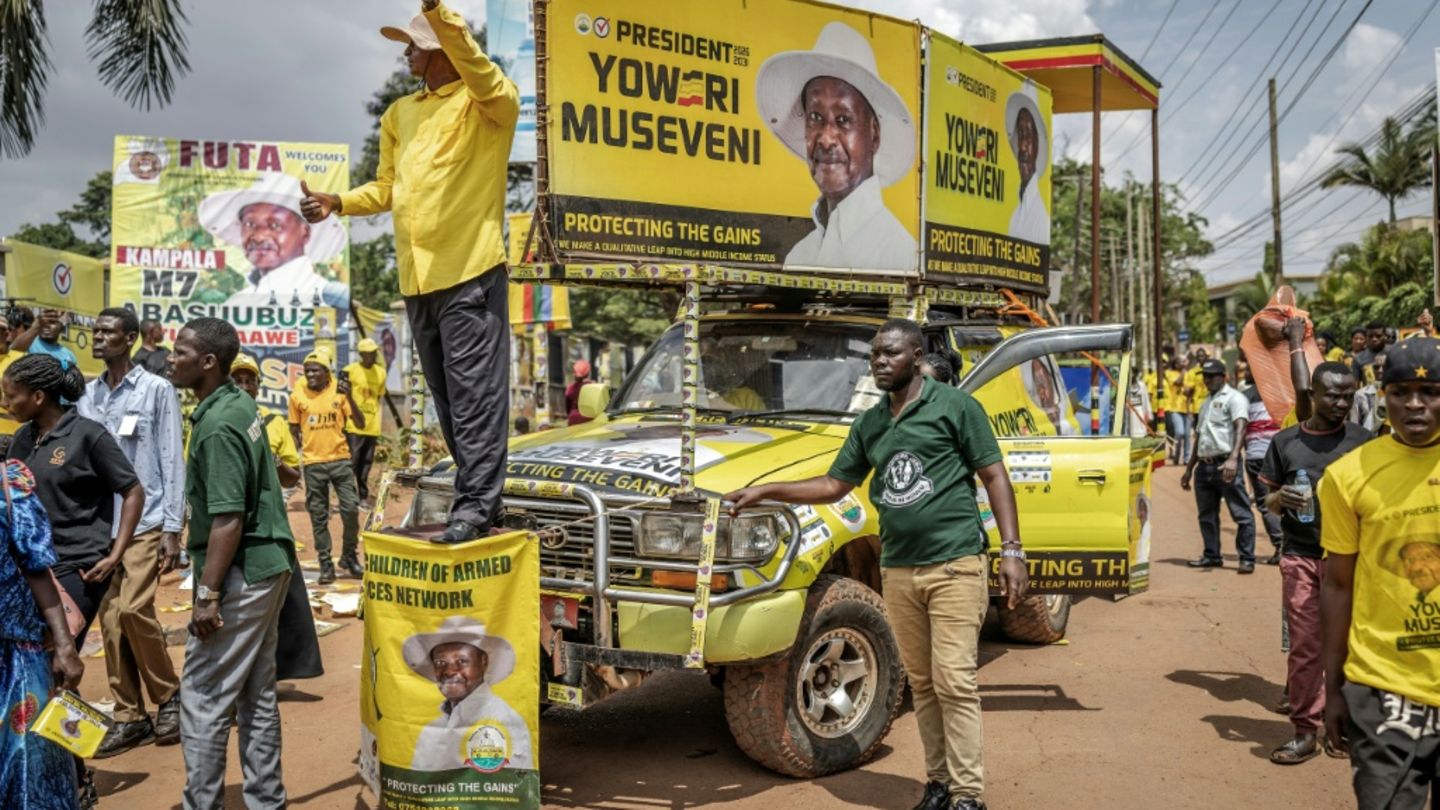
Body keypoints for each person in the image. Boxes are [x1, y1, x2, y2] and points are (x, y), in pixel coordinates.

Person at [725, 318, 1027, 810]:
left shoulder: (955, 407)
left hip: (955, 564)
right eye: (874, 355)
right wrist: (766, 490)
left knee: (954, 681)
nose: (880, 362)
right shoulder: (871, 423)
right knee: (923, 683)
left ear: (915, 356)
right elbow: (833, 485)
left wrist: (1012, 549)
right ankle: (939, 784)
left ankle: (968, 795)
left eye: (890, 353)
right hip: (900, 569)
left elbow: (995, 477)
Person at [301, 0, 518, 542]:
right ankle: (478, 502)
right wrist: (338, 201)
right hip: (417, 280)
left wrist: (439, 12)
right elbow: (388, 188)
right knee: (449, 401)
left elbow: (476, 63)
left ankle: (475, 509)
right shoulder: (400, 113)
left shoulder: (488, 101)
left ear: (442, 49)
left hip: (470, 270)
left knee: (476, 401)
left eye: (414, 45)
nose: (405, 54)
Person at [168, 317, 295, 808]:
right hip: (267, 564)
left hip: (242, 570)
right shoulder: (238, 404)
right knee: (256, 695)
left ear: (208, 362)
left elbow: (228, 519)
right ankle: (267, 800)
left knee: (203, 694)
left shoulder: (218, 426)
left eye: (180, 352)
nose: (171, 359)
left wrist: (207, 594)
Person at [1319, 336, 1440, 809]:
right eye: (1400, 392)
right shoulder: (1348, 476)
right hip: (1383, 691)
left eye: (1431, 392)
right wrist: (1333, 689)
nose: (1415, 404)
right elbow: (1337, 584)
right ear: (1382, 396)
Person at [75, 308, 183, 758]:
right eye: (96, 331)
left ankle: (170, 696)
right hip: (103, 525)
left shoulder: (156, 389)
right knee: (111, 620)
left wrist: (173, 526)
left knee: (136, 609)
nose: (99, 338)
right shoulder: (87, 396)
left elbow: (171, 456)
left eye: (108, 332)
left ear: (131, 338)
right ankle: (129, 715)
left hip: (146, 519)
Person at [1259, 361, 1368, 765]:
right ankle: (1306, 731)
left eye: (1348, 396)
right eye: (1333, 395)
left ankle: (1346, 728)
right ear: (1313, 395)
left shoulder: (1363, 442)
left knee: (1353, 645)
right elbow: (1267, 502)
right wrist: (1278, 499)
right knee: (1305, 647)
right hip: (1302, 556)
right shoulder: (1285, 442)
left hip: (1352, 559)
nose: (1341, 403)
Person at [3, 355, 143, 645]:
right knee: (32, 654)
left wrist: (116, 554)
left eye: (10, 396)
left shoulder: (88, 435)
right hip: (32, 566)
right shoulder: (21, 438)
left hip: (77, 567)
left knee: (58, 652)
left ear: (38, 397)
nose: (4, 403)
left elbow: (133, 491)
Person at [756, 22, 917, 272]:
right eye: (815, 117)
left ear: (874, 134)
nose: (826, 139)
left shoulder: (901, 256)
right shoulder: (800, 255)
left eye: (843, 119)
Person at [0, 458, 86, 809]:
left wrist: (65, 646)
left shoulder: (8, 484)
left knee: (30, 769)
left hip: (16, 655)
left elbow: (37, 568)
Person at [232, 354, 322, 683]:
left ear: (258, 386)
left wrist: (274, 461)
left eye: (249, 380)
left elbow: (292, 477)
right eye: (237, 380)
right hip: (229, 524)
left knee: (282, 604)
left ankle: (269, 676)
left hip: (268, 524)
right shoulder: (214, 420)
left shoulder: (274, 423)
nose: (244, 386)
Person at [198, 173, 349, 310]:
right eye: (250, 224)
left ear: (305, 233)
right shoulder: (237, 305)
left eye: (275, 225)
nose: (258, 236)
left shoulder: (332, 301)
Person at [403, 617, 532, 771]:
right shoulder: (432, 729)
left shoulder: (503, 720)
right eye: (440, 662)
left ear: (483, 662)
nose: (449, 671)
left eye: (462, 661)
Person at [290, 350, 364, 584]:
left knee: (350, 509)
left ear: (326, 372)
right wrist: (296, 456)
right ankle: (325, 563)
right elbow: (293, 428)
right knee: (318, 516)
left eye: (315, 370)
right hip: (313, 464)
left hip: (340, 460)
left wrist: (349, 396)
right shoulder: (297, 395)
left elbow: (360, 423)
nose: (310, 374)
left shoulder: (339, 391)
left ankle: (349, 555)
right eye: (307, 371)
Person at [1181, 358, 1257, 572]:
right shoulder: (1205, 402)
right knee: (1207, 515)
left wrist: (1233, 458)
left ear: (1223, 377)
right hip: (1204, 467)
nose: (1207, 380)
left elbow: (1241, 428)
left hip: (1226, 465)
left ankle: (1246, 558)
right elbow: (1199, 437)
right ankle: (1211, 555)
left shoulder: (1235, 398)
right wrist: (1189, 469)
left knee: (1240, 513)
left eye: (1211, 376)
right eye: (1205, 376)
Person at [1236, 358, 1284, 565]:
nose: (1245, 374)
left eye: (1249, 370)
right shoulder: (1282, 394)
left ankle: (1281, 545)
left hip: (1258, 457)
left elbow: (1241, 429)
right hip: (1282, 455)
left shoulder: (1244, 397)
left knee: (1267, 505)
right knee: (1289, 501)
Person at [1005, 81, 1049, 245]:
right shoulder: (1015, 216)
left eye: (1029, 136)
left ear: (1038, 143)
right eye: (1021, 134)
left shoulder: (1042, 221)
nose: (1023, 146)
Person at [343, 338, 387, 503]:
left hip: (372, 426)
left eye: (374, 352)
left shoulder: (381, 372)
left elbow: (379, 397)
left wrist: (377, 420)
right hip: (354, 426)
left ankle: (362, 496)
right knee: (353, 462)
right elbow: (341, 397)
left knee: (366, 463)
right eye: (368, 353)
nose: (372, 356)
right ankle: (347, 496)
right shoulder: (349, 370)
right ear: (361, 354)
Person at [12, 309, 78, 370]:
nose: (46, 325)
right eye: (43, 322)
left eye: (52, 322)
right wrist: (35, 327)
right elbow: (14, 349)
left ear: (61, 327)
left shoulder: (69, 355)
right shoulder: (29, 342)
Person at [1165, 355, 1190, 465]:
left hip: (1188, 409)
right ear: (1176, 364)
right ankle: (1176, 454)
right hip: (1175, 408)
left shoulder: (1189, 374)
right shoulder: (1170, 373)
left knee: (1187, 435)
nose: (1184, 363)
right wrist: (1184, 371)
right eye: (1181, 361)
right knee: (1179, 432)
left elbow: (1190, 389)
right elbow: (1178, 382)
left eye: (1185, 361)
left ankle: (1186, 458)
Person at [565, 360, 593, 426]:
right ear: (588, 373)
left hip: (573, 420)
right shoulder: (593, 387)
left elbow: (567, 408)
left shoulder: (570, 388)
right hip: (589, 419)